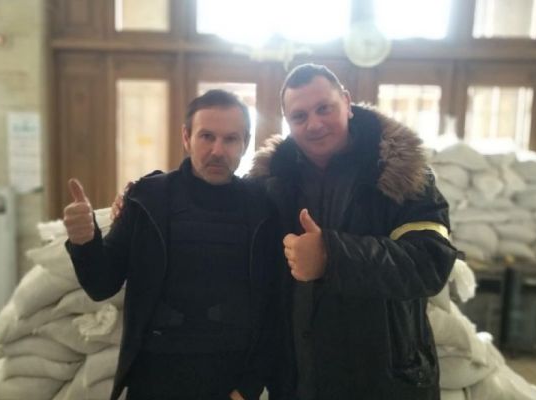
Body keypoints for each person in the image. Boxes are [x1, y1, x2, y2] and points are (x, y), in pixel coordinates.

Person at [248, 64, 458, 399]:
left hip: (384, 381)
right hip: (298, 382)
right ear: (287, 121)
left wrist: (331, 257)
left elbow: (430, 263)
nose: (314, 124)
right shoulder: (271, 183)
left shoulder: (401, 175)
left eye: (324, 108)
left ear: (347, 102)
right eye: (299, 116)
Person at [64, 89, 280, 400]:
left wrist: (249, 387)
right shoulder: (148, 199)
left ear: (245, 143)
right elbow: (101, 285)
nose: (218, 150)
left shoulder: (263, 208)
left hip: (231, 378)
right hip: (154, 377)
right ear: (186, 137)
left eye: (231, 139)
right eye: (207, 136)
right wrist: (84, 241)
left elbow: (274, 306)